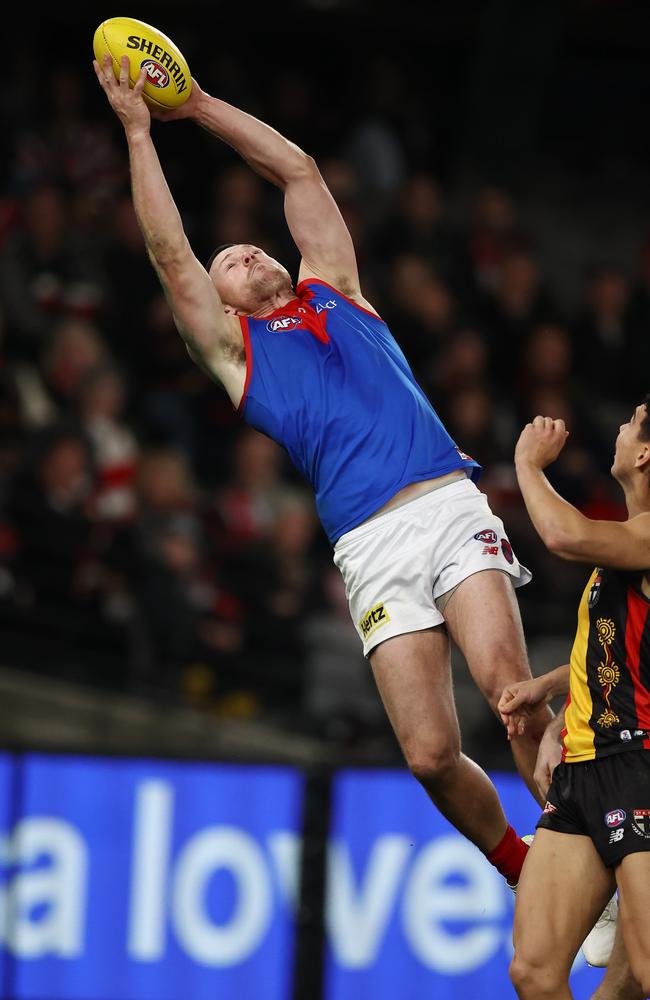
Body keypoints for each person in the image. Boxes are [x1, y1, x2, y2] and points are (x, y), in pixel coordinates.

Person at [93, 53, 552, 892]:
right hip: (370, 547)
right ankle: (525, 869)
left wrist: (194, 106)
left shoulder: (335, 287)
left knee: (513, 696)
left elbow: (295, 169)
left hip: (446, 505)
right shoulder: (237, 355)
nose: (245, 252)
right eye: (230, 257)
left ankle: (582, 851)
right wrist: (136, 133)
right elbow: (169, 255)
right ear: (223, 301)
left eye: (251, 246)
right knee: (427, 755)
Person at [498, 404, 650, 999]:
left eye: (635, 420)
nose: (622, 423)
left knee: (643, 967)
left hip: (638, 769)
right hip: (584, 775)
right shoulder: (627, 543)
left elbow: (562, 535)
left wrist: (527, 466)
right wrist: (552, 691)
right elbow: (617, 650)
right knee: (533, 971)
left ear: (643, 454)